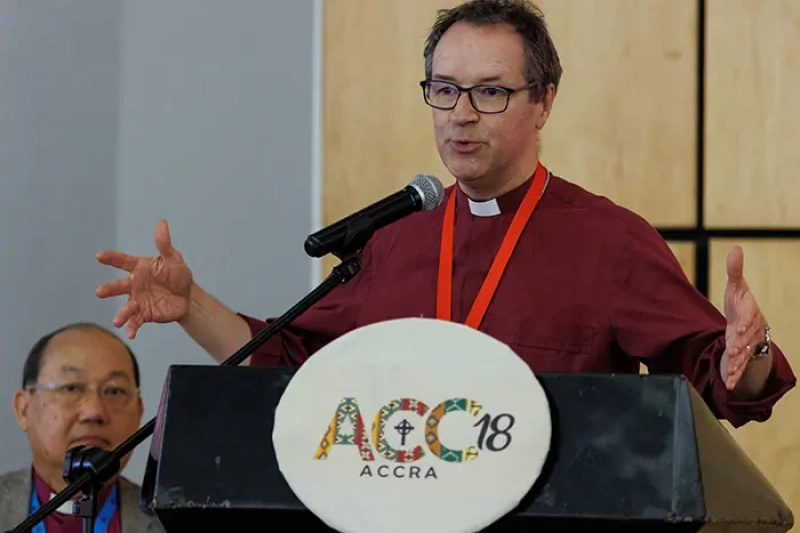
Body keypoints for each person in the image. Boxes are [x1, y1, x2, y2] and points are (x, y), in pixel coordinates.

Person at [94, 0, 794, 429]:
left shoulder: (608, 240)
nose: (460, 114)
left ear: (544, 101)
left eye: (490, 92)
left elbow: (724, 380)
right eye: (444, 89)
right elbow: (289, 362)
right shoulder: (395, 237)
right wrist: (190, 305)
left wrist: (749, 355)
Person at [0, 323, 163, 533]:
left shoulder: (168, 524)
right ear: (23, 409)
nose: (94, 411)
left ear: (140, 411)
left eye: (114, 391)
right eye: (71, 388)